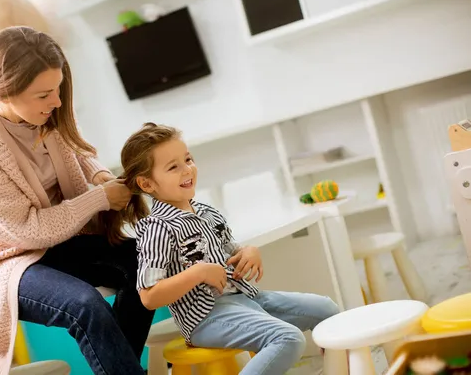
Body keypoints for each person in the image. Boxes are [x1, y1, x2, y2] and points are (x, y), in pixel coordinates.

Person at [0, 26, 153, 375]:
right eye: (44, 95)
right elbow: (26, 231)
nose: (57, 102)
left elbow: (78, 150)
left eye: (57, 90)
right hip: (7, 261)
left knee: (148, 262)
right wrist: (99, 199)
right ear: (3, 91)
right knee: (85, 305)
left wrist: (100, 176)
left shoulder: (47, 112)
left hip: (62, 242)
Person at [105, 122, 341, 375]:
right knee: (289, 338)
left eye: (188, 159)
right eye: (174, 167)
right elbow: (149, 297)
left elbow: (232, 252)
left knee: (327, 310)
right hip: (206, 318)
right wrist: (198, 273)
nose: (187, 170)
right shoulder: (157, 229)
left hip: (247, 299)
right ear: (147, 184)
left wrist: (249, 252)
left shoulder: (208, 213)